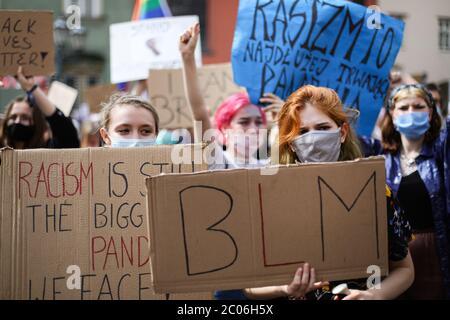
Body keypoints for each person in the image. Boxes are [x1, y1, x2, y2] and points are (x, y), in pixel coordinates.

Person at [217, 85, 414, 300]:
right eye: (302, 132)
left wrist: (373, 296)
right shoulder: (270, 198)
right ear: (291, 144)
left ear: (342, 132)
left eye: (322, 127)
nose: (313, 138)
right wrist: (283, 288)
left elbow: (404, 269)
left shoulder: (374, 191)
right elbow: (250, 287)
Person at [362, 84, 450, 299]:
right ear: (392, 114)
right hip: (393, 256)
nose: (411, 112)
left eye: (418, 106)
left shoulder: (441, 151)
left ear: (430, 112)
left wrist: (409, 79)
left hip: (434, 253)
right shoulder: (378, 155)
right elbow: (344, 130)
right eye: (404, 107)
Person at [180, 23, 269, 169]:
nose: (253, 129)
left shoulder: (270, 168)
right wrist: (187, 57)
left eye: (259, 122)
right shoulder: (218, 163)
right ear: (224, 128)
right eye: (244, 122)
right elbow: (199, 114)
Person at [0, 67, 79, 149]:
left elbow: (66, 132)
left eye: (25, 118)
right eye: (13, 117)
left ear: (37, 123)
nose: (17, 121)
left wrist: (31, 87)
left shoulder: (47, 151)